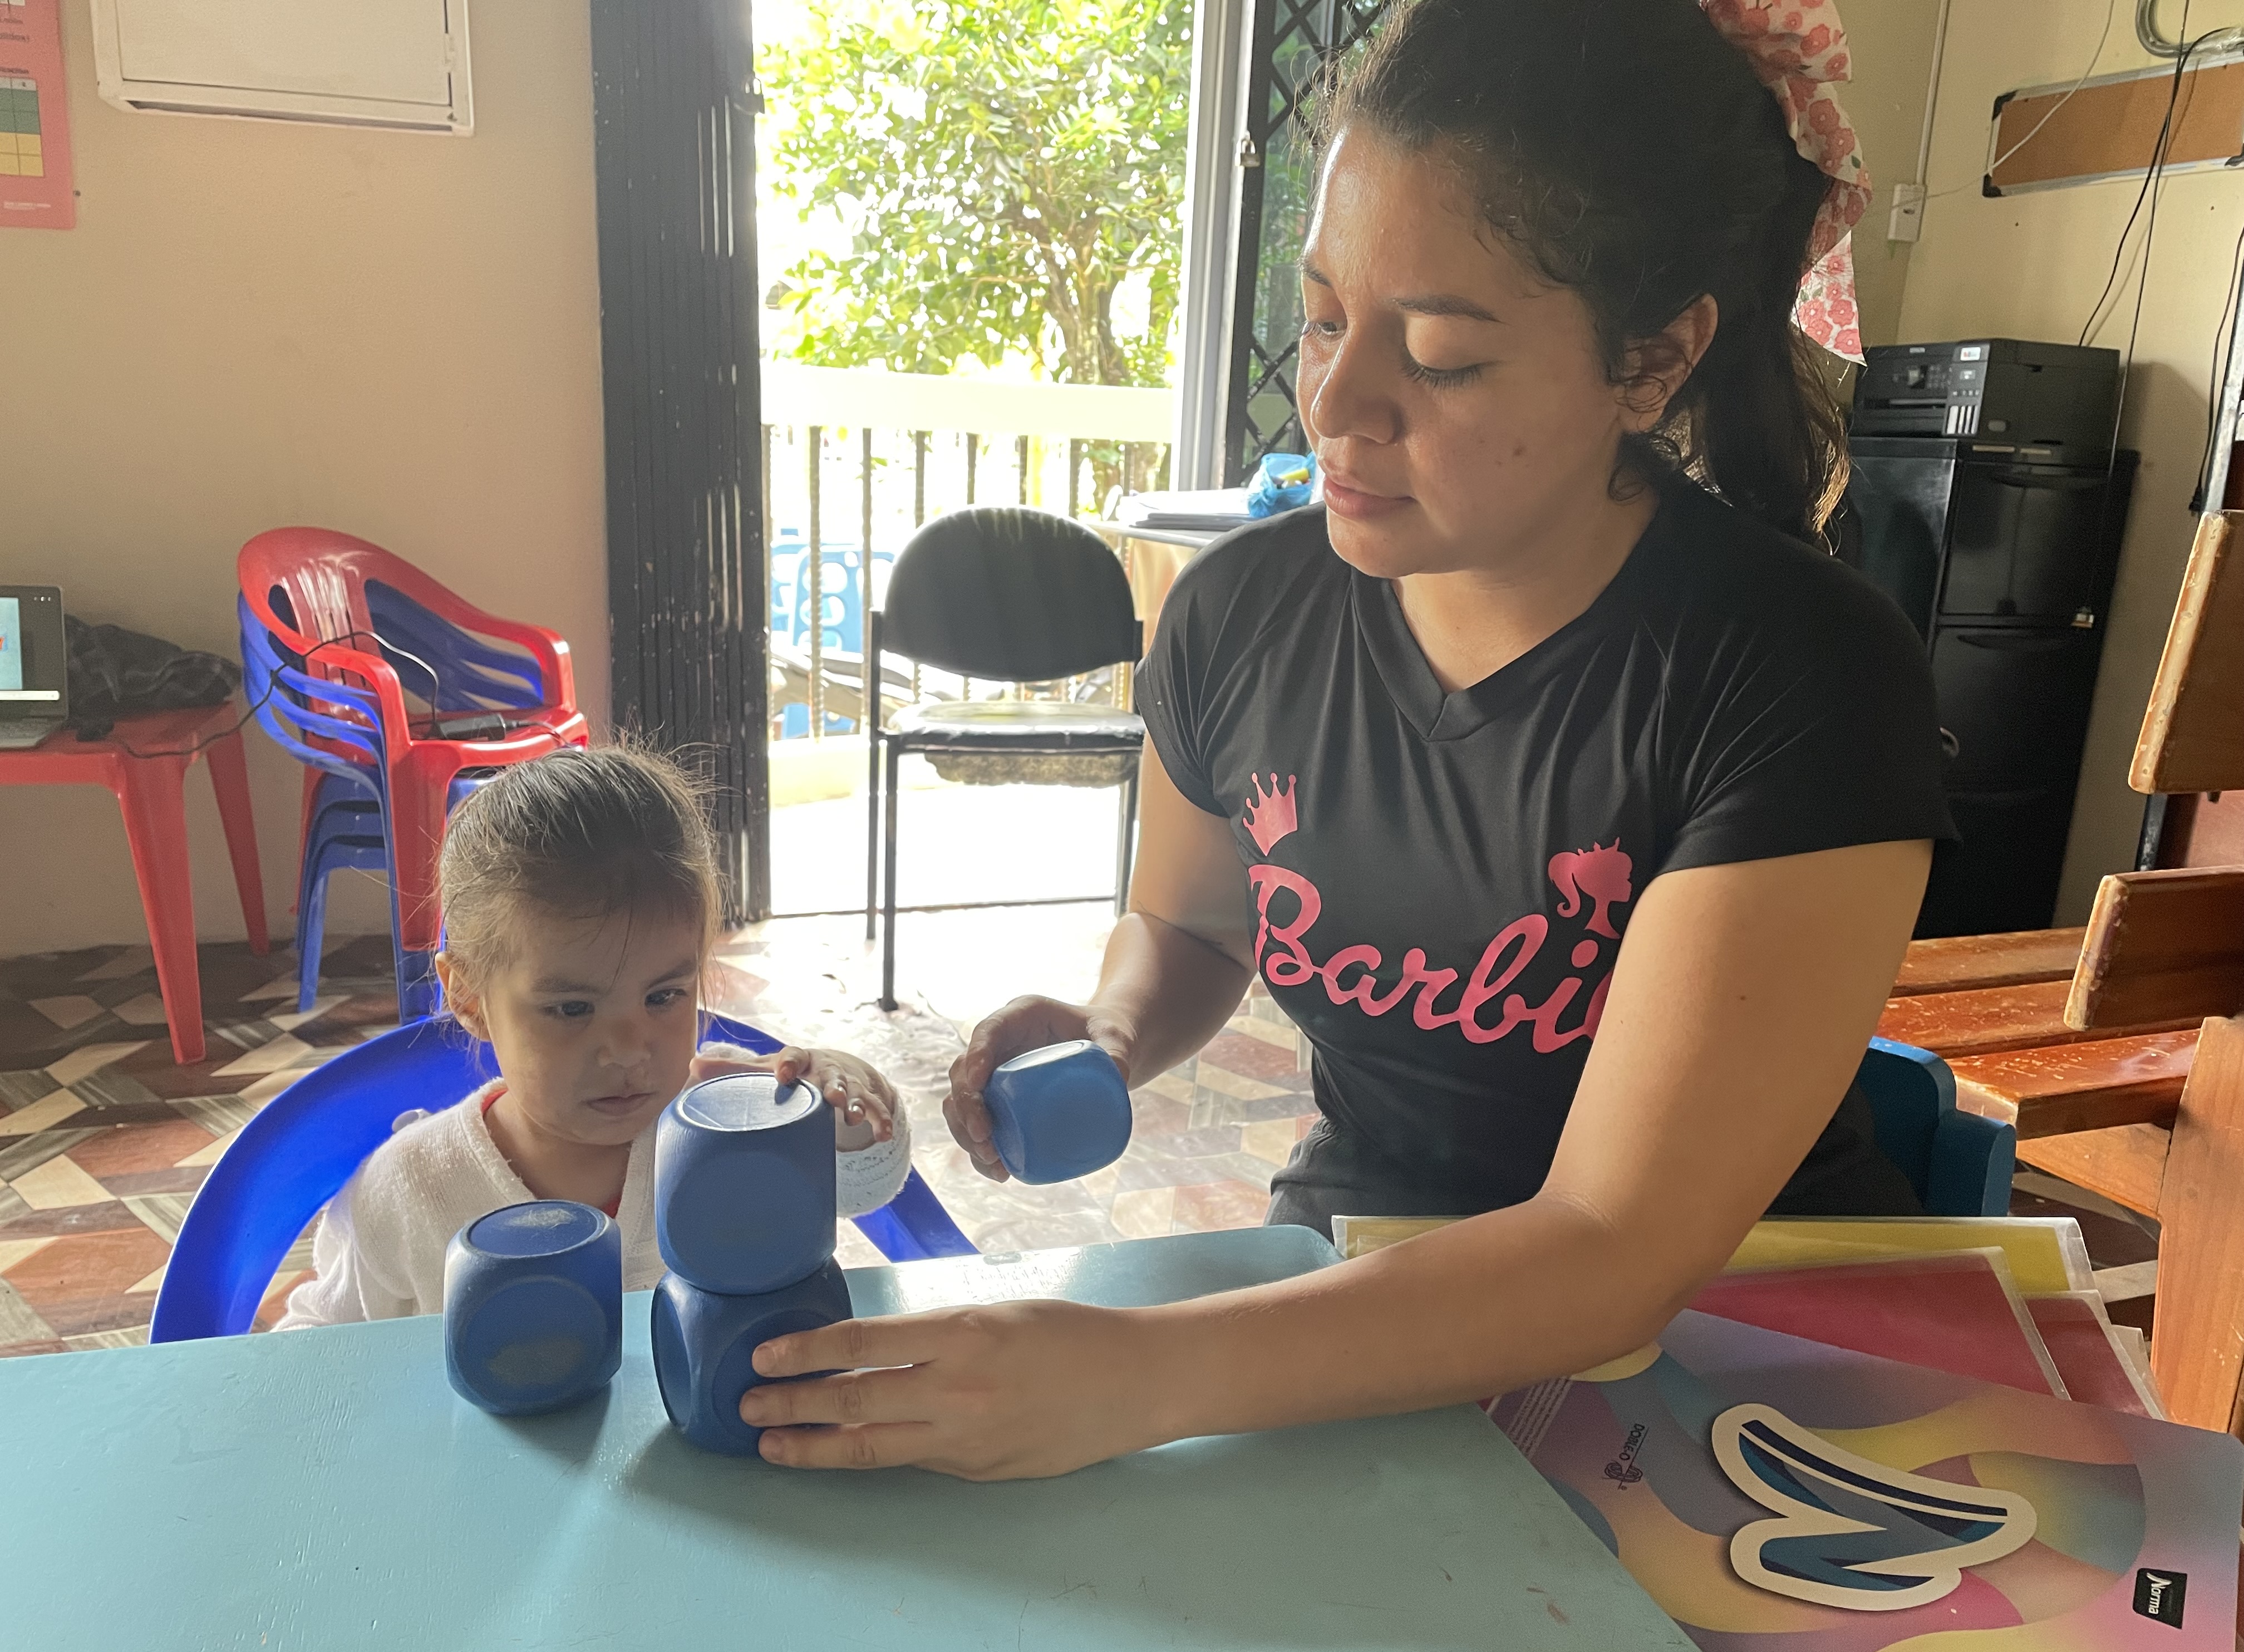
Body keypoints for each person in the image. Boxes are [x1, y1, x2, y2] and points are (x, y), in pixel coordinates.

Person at [735, 0, 1955, 1480]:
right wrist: (1115, 1030)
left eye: (1439, 356)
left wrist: (1131, 1377)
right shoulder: (1240, 612)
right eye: (1323, 316)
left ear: (1653, 359)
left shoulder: (1799, 674)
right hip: (1361, 1263)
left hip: (1736, 1330)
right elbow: (1190, 924)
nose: (1334, 401)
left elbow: (1613, 1249)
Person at [277, 746, 904, 1328]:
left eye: (664, 996)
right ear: (468, 997)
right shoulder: (410, 1186)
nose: (629, 1049)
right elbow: (315, 1345)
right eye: (573, 1008)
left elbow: (869, 1184)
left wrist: (838, 1102)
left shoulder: (733, 1112)